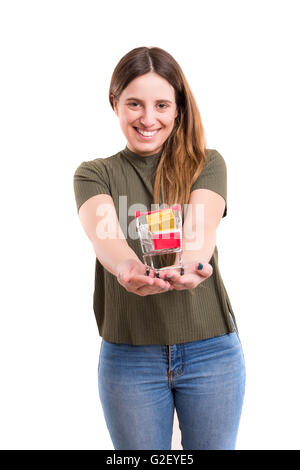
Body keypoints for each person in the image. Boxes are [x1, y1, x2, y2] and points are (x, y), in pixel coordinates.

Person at [73, 46, 246, 450]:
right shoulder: (94, 174)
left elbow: (200, 231)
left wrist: (190, 265)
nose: (148, 119)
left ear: (178, 109)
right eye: (134, 103)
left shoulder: (207, 163)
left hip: (211, 352)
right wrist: (127, 270)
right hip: (129, 358)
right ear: (115, 103)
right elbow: (106, 238)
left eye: (161, 105)